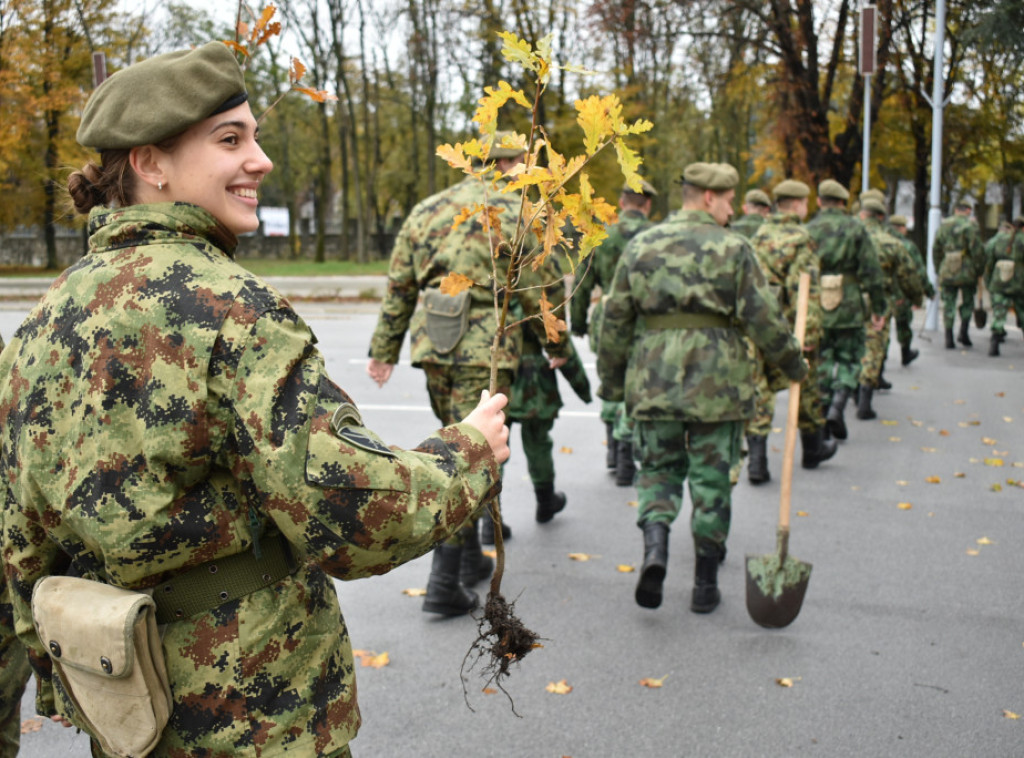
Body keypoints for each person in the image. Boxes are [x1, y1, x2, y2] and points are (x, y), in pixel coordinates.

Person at [0, 42, 510, 758]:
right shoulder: (232, 309)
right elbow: (357, 517)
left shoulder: (42, 324)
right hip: (258, 711)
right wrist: (468, 451)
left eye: (255, 136)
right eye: (230, 139)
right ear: (150, 164)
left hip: (122, 707)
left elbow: (17, 548)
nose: (261, 159)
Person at [367, 131, 570, 613]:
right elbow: (536, 286)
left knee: (461, 441)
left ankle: (470, 561)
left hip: (435, 346)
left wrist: (384, 351)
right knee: (475, 453)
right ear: (515, 162)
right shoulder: (518, 212)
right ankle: (441, 585)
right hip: (487, 350)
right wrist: (553, 341)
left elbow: (400, 286)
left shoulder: (429, 209)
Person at [597, 162, 807, 615]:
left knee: (656, 471)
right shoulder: (735, 249)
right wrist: (792, 363)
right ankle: (705, 585)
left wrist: (613, 386)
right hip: (719, 384)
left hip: (653, 380)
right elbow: (763, 317)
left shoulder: (641, 245)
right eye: (729, 201)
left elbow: (615, 321)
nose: (733, 210)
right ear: (709, 197)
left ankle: (656, 550)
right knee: (712, 479)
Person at [746, 179, 836, 483]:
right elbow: (805, 289)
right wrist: (808, 337)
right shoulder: (802, 239)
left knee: (761, 389)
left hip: (758, 323)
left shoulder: (759, 234)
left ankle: (757, 461)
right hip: (787, 327)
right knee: (806, 384)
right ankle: (812, 448)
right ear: (797, 204)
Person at [570, 179, 657, 486]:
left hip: (608, 320)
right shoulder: (655, 237)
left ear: (622, 203)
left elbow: (581, 285)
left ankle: (613, 445)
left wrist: (578, 323)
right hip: (646, 324)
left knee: (611, 379)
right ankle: (627, 448)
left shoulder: (601, 236)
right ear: (647, 205)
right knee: (639, 384)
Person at [508, 254, 592, 522]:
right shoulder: (543, 260)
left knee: (490, 442)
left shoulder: (489, 253)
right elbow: (554, 323)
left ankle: (491, 520)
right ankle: (545, 501)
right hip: (534, 371)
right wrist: (582, 386)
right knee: (538, 441)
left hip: (496, 364)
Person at [805, 179, 887, 441]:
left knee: (823, 360)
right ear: (843, 203)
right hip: (849, 302)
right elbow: (872, 271)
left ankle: (825, 410)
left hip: (818, 303)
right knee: (852, 358)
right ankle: (839, 405)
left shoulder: (808, 230)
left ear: (819, 202)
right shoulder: (856, 229)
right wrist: (879, 307)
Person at [855, 199, 925, 418]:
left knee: (848, 346)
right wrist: (917, 297)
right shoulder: (891, 243)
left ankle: (840, 398)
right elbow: (909, 275)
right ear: (881, 217)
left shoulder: (847, 237)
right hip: (879, 301)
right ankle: (864, 400)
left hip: (845, 300)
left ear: (862, 215)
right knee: (874, 347)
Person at [932, 197, 985, 349]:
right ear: (968, 210)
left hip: (947, 268)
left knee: (948, 303)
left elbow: (936, 249)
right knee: (968, 301)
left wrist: (938, 268)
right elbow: (977, 250)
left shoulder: (944, 225)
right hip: (967, 270)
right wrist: (979, 269)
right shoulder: (971, 225)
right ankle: (964, 333)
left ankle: (948, 337)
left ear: (956, 210)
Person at [888, 214, 936, 365]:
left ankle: (880, 360)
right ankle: (905, 352)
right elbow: (918, 271)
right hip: (901, 293)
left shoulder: (878, 241)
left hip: (882, 291)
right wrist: (927, 291)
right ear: (901, 228)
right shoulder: (907, 245)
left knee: (880, 326)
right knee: (903, 323)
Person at [983, 216, 1024, 356]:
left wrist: (988, 281)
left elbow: (988, 260)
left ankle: (994, 342)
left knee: (999, 313)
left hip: (999, 281)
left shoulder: (998, 240)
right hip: (1019, 284)